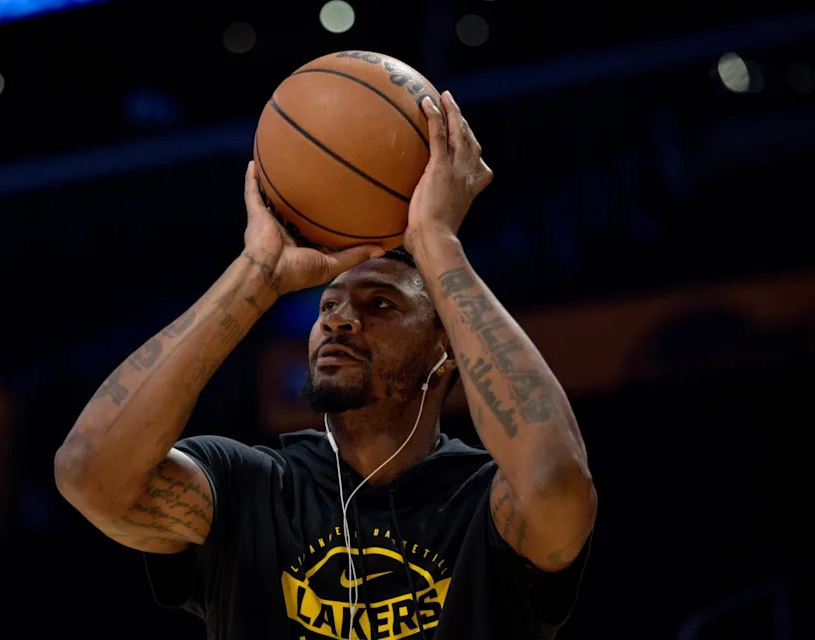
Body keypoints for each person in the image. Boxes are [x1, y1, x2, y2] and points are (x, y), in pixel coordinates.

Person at [54, 91, 597, 640]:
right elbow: (88, 473)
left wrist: (436, 242)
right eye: (328, 305)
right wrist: (257, 274)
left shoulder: (483, 498)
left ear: (448, 347)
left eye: (380, 304)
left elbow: (556, 480)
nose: (339, 321)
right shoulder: (253, 487)